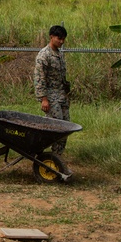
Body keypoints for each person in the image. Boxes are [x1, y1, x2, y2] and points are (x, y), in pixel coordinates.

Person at [33, 25, 70, 154]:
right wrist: (44, 99)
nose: (61, 41)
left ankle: (57, 156)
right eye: (59, 38)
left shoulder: (59, 54)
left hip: (61, 96)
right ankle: (49, 156)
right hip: (51, 96)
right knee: (56, 127)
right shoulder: (44, 55)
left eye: (63, 39)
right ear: (51, 37)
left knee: (66, 127)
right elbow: (39, 78)